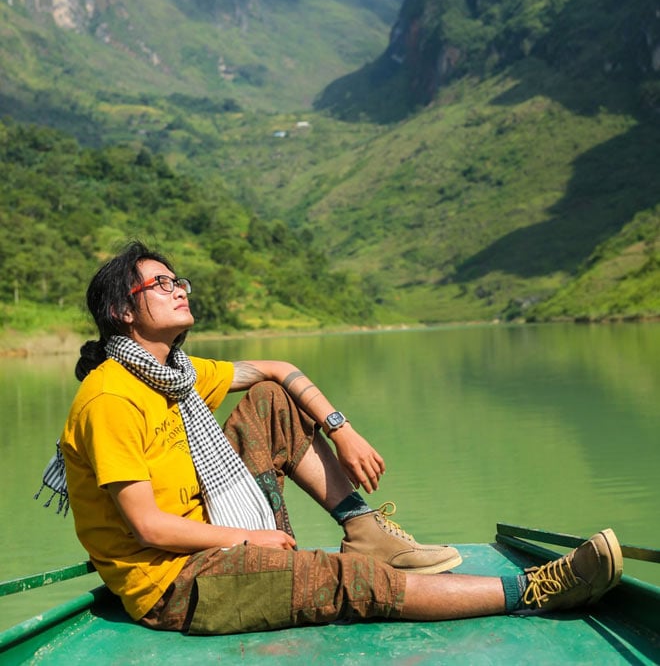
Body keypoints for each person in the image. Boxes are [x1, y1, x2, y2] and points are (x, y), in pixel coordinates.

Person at [49, 241, 623, 636]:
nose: (179, 290)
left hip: (215, 536)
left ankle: (364, 530)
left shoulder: (173, 372)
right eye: (161, 284)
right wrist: (248, 539)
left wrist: (340, 428)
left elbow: (276, 370)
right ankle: (534, 590)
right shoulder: (111, 398)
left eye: (179, 281)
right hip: (175, 584)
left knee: (271, 401)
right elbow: (148, 527)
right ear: (123, 310)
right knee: (348, 582)